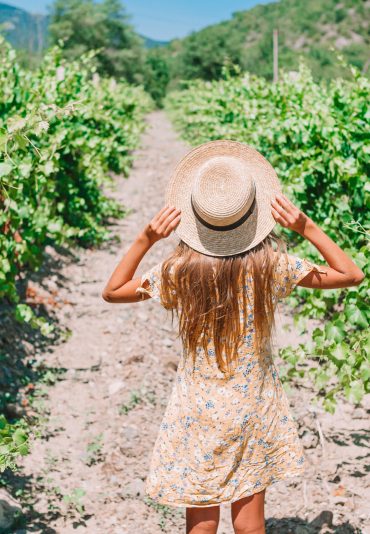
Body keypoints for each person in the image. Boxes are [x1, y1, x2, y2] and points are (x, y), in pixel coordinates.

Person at [102, 141, 364, 534]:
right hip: (252, 403)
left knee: (201, 522)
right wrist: (305, 226)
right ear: (252, 215)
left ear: (195, 217)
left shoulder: (180, 271)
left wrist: (146, 237)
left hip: (196, 408)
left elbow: (112, 291)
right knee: (249, 525)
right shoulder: (270, 266)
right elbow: (351, 274)